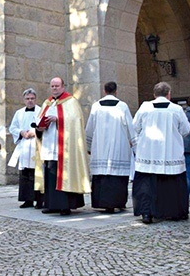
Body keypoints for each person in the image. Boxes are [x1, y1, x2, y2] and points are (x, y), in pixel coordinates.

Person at [132, 82, 190, 224]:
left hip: (148, 152)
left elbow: (135, 126)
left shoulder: (145, 107)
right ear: (169, 94)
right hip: (170, 153)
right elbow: (186, 130)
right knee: (171, 185)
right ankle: (173, 212)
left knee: (147, 186)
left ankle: (147, 213)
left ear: (154, 94)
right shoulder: (176, 109)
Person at [34, 77, 90, 216]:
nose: (54, 88)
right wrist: (39, 128)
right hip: (48, 145)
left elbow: (75, 121)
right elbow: (38, 121)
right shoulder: (47, 103)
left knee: (63, 175)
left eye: (57, 86)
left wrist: (59, 119)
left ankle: (65, 205)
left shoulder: (71, 102)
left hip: (64, 148)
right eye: (52, 86)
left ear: (63, 87)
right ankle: (51, 204)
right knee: (50, 175)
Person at [85, 81, 135, 213]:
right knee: (117, 176)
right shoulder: (122, 106)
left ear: (104, 91)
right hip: (118, 146)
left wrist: (88, 145)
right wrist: (135, 143)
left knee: (102, 175)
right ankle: (118, 202)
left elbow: (90, 127)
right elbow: (130, 126)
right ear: (116, 91)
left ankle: (101, 202)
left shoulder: (96, 106)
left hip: (100, 146)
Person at [8, 88, 43, 209]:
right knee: (25, 173)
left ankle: (39, 200)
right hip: (24, 145)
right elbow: (13, 128)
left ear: (35, 99)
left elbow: (43, 126)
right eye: (27, 99)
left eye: (32, 98)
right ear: (24, 100)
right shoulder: (19, 113)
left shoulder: (41, 111)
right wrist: (21, 132)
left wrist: (33, 132)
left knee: (36, 173)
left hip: (36, 144)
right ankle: (27, 199)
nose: (30, 101)